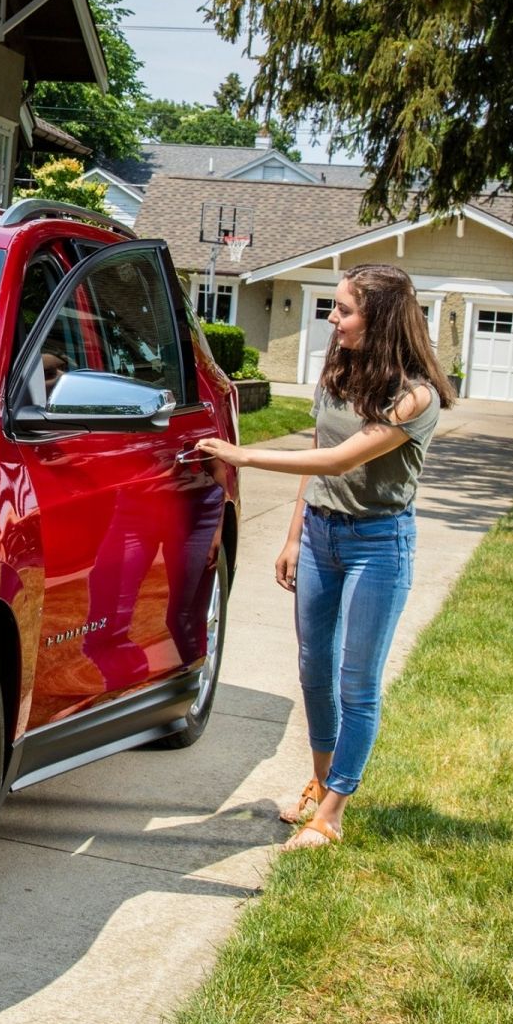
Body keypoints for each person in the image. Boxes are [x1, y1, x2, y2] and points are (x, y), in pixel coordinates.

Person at [196, 264, 453, 850]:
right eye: (333, 308)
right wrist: (293, 536)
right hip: (320, 534)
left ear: (381, 318)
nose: (332, 320)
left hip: (378, 544)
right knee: (315, 670)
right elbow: (318, 452)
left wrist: (244, 457)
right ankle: (318, 781)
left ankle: (332, 811)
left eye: (344, 310)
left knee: (356, 681)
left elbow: (342, 460)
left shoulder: (416, 396)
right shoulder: (338, 370)